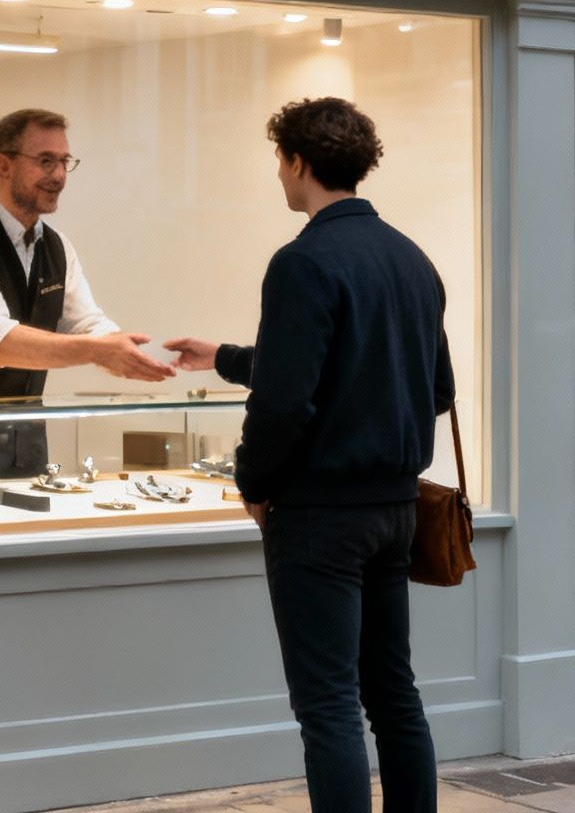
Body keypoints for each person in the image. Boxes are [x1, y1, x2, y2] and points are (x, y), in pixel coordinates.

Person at [165, 97, 454, 813]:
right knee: (394, 694)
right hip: (395, 509)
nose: (280, 177)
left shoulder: (302, 262)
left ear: (297, 162)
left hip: (320, 518)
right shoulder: (411, 258)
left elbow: (286, 402)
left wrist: (253, 484)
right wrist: (226, 356)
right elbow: (436, 388)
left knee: (327, 705)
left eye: (279, 163)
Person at [0, 108, 174, 482]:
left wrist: (141, 354)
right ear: (3, 165)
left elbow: (87, 324)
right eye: (45, 161)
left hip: (26, 447)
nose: (59, 175)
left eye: (64, 161)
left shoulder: (57, 246)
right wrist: (98, 351)